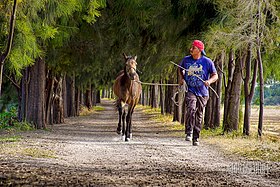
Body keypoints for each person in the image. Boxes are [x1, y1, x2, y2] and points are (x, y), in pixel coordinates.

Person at [178, 40, 218, 146]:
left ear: (199, 50)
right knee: (191, 108)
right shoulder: (186, 60)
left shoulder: (207, 62)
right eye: (191, 47)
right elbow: (180, 69)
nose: (191, 49)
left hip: (203, 92)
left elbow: (215, 75)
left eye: (193, 47)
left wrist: (209, 81)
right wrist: (181, 79)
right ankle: (189, 132)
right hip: (190, 90)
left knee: (199, 114)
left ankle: (196, 137)